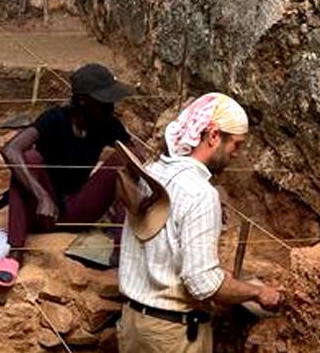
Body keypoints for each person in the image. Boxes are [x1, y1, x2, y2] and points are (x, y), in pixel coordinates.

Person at [118, 93, 282, 353]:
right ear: (213, 135)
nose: (236, 155)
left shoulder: (152, 170)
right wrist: (256, 293)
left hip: (133, 325)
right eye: (236, 145)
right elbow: (202, 284)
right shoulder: (201, 194)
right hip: (173, 336)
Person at [0, 63, 140, 276]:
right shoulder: (55, 118)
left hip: (77, 210)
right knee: (29, 158)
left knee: (125, 159)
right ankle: (16, 251)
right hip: (41, 212)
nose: (111, 107)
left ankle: (120, 252)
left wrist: (123, 197)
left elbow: (136, 156)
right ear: (83, 100)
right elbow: (10, 149)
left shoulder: (107, 123)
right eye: (104, 102)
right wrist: (42, 196)